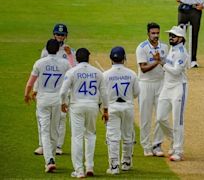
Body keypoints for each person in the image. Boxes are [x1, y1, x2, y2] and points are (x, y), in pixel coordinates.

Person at [60, 48, 109, 178]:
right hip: (92, 106)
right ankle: (90, 166)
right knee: (90, 136)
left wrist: (63, 103)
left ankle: (79, 170)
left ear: (76, 58)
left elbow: (63, 91)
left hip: (77, 106)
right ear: (89, 57)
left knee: (77, 137)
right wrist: (105, 110)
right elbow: (104, 93)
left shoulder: (72, 71)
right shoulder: (97, 73)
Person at [24, 39, 71, 173]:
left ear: (46, 49)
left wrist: (26, 95)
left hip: (43, 100)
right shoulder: (65, 63)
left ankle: (49, 160)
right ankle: (51, 158)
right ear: (57, 50)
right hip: (57, 100)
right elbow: (72, 77)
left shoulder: (39, 63)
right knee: (54, 129)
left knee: (44, 130)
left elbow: (30, 83)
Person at [34, 23, 76, 156]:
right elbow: (39, 71)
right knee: (43, 119)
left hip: (62, 90)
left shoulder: (70, 51)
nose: (60, 37)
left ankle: (58, 145)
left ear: (66, 36)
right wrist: (35, 88)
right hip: (46, 89)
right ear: (54, 35)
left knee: (61, 118)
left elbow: (74, 69)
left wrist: (69, 54)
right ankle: (42, 145)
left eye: (62, 35)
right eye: (58, 34)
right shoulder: (45, 51)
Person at [103, 46, 140, 174]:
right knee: (128, 135)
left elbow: (102, 95)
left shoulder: (105, 75)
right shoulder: (132, 74)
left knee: (113, 137)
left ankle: (114, 166)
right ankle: (126, 162)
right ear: (124, 58)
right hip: (127, 106)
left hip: (112, 107)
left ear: (111, 58)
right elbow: (136, 93)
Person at [135, 22, 169, 157]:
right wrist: (157, 62)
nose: (155, 35)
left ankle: (157, 144)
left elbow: (167, 65)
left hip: (161, 83)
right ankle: (146, 145)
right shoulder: (142, 48)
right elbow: (143, 68)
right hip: (145, 84)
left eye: (157, 33)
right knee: (145, 116)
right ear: (148, 34)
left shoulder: (165, 47)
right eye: (153, 33)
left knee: (161, 115)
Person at [156, 25, 189, 161]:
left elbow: (176, 71)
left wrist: (161, 63)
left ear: (181, 38)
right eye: (170, 35)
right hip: (167, 86)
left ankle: (178, 150)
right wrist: (162, 61)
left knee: (177, 120)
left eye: (173, 36)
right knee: (160, 118)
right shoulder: (172, 49)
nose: (170, 37)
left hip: (178, 88)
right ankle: (174, 139)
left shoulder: (181, 52)